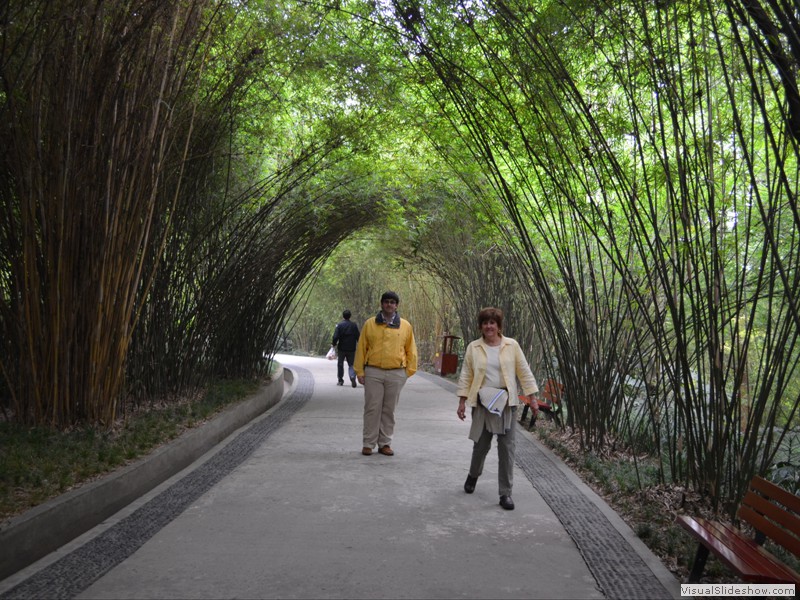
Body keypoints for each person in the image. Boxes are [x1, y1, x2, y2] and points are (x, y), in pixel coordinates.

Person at [456, 307, 538, 510]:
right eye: (485, 323)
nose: (489, 326)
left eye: (492, 322)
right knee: (481, 446)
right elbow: (466, 374)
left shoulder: (512, 345)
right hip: (484, 403)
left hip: (506, 404)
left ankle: (505, 493)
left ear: (499, 326)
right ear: (481, 326)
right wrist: (462, 401)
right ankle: (473, 475)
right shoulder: (474, 347)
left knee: (507, 449)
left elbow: (524, 371)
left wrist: (532, 398)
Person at [354, 291, 418, 457]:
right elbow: (361, 348)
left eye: (392, 302)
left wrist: (407, 372)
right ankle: (368, 443)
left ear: (397, 306)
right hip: (373, 371)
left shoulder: (405, 326)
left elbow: (411, 350)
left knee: (389, 410)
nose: (389, 305)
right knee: (372, 408)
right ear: (381, 304)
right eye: (386, 302)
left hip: (396, 373)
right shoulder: (370, 324)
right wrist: (359, 371)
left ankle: (385, 444)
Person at [332, 310, 360, 387]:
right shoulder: (354, 325)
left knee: (340, 364)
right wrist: (360, 345)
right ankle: (352, 376)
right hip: (351, 348)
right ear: (350, 316)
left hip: (341, 348)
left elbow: (335, 336)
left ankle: (340, 380)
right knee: (351, 364)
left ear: (343, 316)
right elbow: (358, 336)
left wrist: (334, 344)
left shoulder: (339, 325)